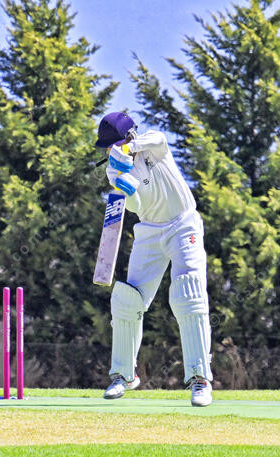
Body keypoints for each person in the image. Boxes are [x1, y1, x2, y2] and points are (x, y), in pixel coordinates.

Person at [95, 112, 213, 407]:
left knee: (188, 293)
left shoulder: (152, 146)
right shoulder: (113, 170)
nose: (111, 151)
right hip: (148, 231)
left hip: (183, 224)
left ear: (130, 137)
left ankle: (200, 379)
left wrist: (128, 149)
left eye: (115, 145)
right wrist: (127, 187)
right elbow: (135, 207)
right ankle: (123, 376)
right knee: (127, 300)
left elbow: (159, 139)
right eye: (108, 148)